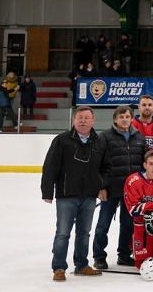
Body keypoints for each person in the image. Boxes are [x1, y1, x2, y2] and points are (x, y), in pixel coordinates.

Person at [42, 106, 107, 281]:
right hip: (66, 194)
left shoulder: (99, 141)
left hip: (89, 195)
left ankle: (82, 265)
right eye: (80, 117)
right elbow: (50, 167)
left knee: (84, 232)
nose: (83, 120)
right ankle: (59, 267)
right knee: (63, 232)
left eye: (87, 118)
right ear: (74, 120)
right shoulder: (62, 140)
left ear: (93, 121)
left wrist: (102, 187)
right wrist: (47, 191)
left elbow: (102, 168)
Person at [93, 105, 147, 269]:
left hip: (131, 191)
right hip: (110, 188)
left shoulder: (139, 136)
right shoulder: (105, 137)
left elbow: (143, 164)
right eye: (121, 116)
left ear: (132, 119)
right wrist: (101, 186)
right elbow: (97, 164)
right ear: (115, 119)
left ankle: (123, 255)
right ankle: (99, 256)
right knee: (103, 224)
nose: (124, 119)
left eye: (127, 116)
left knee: (128, 224)